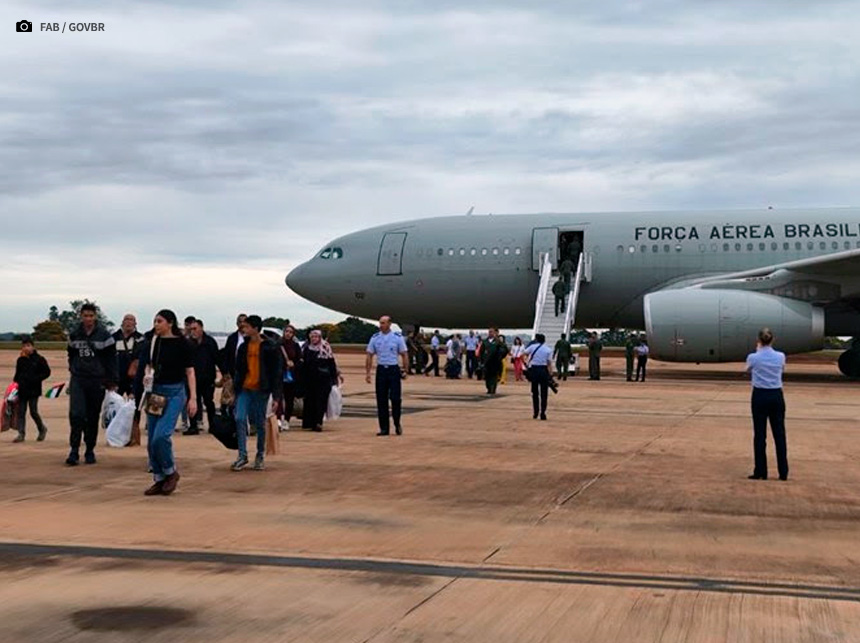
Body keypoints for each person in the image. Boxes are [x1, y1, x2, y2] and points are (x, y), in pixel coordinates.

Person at [138, 309, 196, 495]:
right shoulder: (153, 342)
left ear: (170, 323)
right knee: (151, 440)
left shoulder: (182, 344)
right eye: (155, 321)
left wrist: (192, 397)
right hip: (155, 393)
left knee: (161, 436)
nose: (156, 324)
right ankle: (159, 477)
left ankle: (171, 472)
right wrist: (147, 376)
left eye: (160, 321)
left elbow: (189, 371)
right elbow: (149, 365)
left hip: (174, 393)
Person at [66, 303, 117, 466]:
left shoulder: (104, 336)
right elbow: (71, 354)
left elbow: (111, 360)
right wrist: (73, 369)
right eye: (85, 316)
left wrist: (111, 380)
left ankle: (89, 449)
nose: (88, 319)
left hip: (97, 380)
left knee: (92, 416)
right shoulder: (74, 334)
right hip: (79, 379)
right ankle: (74, 450)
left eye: (91, 316)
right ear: (81, 316)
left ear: (95, 317)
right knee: (76, 414)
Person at [232, 315, 283, 471]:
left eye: (246, 327)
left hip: (261, 390)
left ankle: (260, 454)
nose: (243, 329)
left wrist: (276, 395)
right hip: (245, 389)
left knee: (260, 423)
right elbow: (239, 369)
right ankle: (242, 455)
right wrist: (235, 388)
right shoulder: (243, 347)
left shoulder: (270, 347)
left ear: (255, 328)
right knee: (240, 418)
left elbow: (276, 372)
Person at [745, 328, 789, 481]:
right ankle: (783, 472)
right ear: (772, 340)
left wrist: (758, 351)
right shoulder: (780, 356)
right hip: (776, 395)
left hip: (760, 395)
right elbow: (782, 368)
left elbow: (748, 369)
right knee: (779, 434)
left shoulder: (753, 357)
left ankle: (761, 471)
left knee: (760, 435)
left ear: (758, 340)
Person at [366, 316, 409, 436]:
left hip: (393, 370)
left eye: (383, 323)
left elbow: (404, 354)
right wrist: (368, 373)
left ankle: (397, 422)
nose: (381, 325)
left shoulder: (397, 338)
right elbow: (369, 355)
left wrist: (405, 370)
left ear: (390, 324)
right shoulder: (375, 338)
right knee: (381, 400)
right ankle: (384, 428)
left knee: (395, 399)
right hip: (381, 371)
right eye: (380, 323)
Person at [300, 329, 342, 432]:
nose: (314, 339)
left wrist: (334, 378)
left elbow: (331, 363)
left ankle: (318, 422)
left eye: (316, 337)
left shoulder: (326, 348)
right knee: (310, 401)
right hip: (309, 379)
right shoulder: (306, 348)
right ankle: (310, 422)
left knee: (321, 401)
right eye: (312, 337)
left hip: (323, 380)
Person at [12, 337, 51, 442]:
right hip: (22, 389)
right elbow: (17, 374)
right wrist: (15, 384)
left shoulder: (39, 359)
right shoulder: (20, 360)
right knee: (21, 412)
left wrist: (37, 379)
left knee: (33, 411)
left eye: (28, 346)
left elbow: (47, 372)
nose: (26, 348)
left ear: (33, 346)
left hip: (34, 390)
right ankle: (21, 434)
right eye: (24, 346)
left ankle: (42, 429)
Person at [187, 318, 220, 434]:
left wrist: (224, 374)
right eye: (191, 329)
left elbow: (217, 358)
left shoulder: (210, 342)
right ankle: (193, 426)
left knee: (209, 402)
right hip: (192, 379)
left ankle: (213, 425)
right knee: (192, 401)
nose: (193, 332)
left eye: (195, 329)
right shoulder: (188, 343)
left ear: (201, 328)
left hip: (207, 377)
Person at [219, 313, 248, 414]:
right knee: (229, 399)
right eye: (240, 322)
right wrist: (225, 372)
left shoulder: (249, 338)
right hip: (232, 372)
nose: (242, 324)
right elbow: (226, 355)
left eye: (244, 321)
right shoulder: (232, 338)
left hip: (246, 374)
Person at [277, 325, 303, 430]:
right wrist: (284, 364)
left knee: (289, 399)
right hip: (279, 375)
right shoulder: (278, 344)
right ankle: (278, 418)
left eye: (290, 332)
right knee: (278, 398)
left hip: (291, 376)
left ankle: (286, 420)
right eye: (286, 331)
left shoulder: (295, 346)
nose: (288, 333)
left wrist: (294, 364)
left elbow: (300, 360)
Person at [524, 333, 554, 420]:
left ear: (536, 339)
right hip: (543, 370)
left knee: (535, 392)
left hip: (534, 370)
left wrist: (526, 363)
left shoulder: (532, 347)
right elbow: (549, 363)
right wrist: (551, 374)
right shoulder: (548, 349)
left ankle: (535, 412)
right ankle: (543, 412)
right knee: (544, 393)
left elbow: (523, 354)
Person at [480, 328, 507, 395]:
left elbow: (505, 350)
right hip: (487, 362)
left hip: (495, 363)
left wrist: (500, 356)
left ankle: (493, 389)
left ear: (494, 333)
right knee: (487, 377)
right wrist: (481, 361)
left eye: (492, 332)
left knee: (494, 377)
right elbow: (481, 352)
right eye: (489, 332)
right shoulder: (485, 342)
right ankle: (489, 388)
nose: (490, 333)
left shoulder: (498, 342)